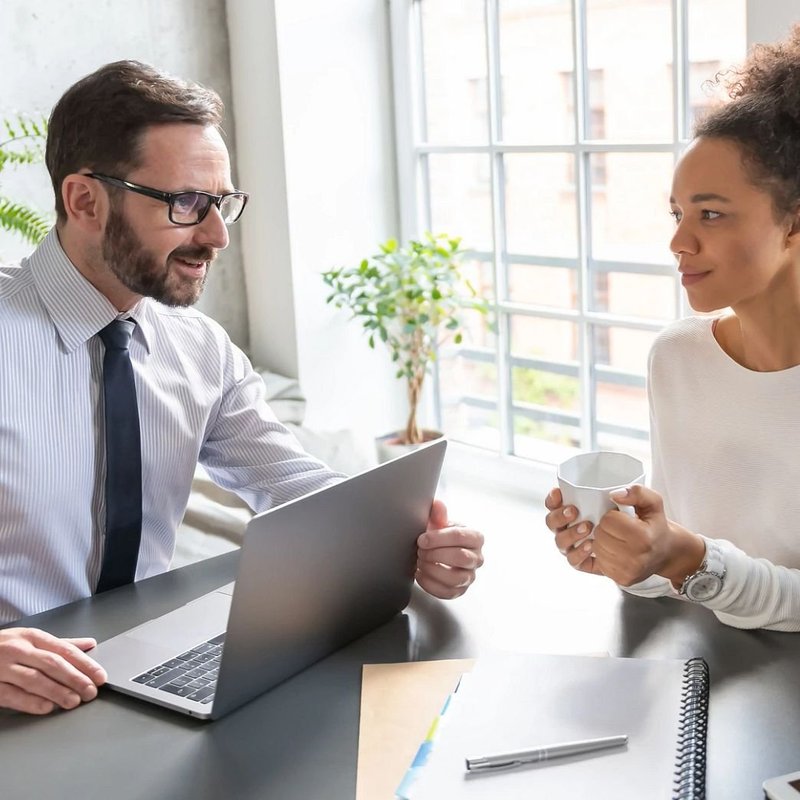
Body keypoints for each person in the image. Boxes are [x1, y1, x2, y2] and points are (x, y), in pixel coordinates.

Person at [0, 61, 484, 715]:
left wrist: (408, 543)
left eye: (222, 203)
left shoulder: (199, 351)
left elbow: (296, 488)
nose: (217, 236)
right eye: (186, 204)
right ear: (85, 201)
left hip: (141, 681)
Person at [545, 25, 800, 633]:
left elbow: (699, 562)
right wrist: (631, 554)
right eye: (678, 213)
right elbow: (682, 569)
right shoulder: (678, 358)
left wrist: (687, 559)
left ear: (793, 223)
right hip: (699, 664)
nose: (679, 241)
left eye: (710, 214)